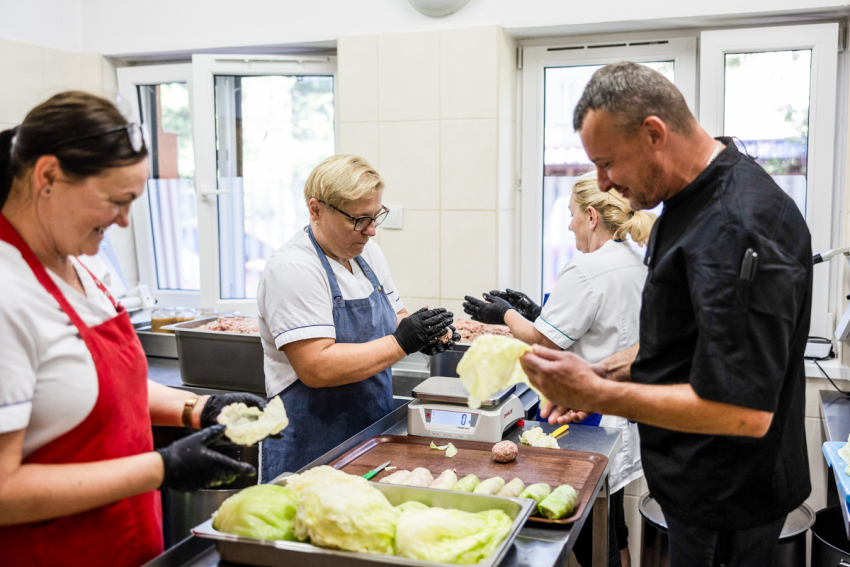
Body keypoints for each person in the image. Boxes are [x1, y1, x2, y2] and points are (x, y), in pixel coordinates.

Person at [520, 62, 811, 567]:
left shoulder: (737, 224)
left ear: (654, 134)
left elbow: (743, 411)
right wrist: (599, 372)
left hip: (729, 501)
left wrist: (597, 394)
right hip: (696, 487)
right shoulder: (686, 201)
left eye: (607, 163)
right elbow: (688, 339)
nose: (603, 182)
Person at [0, 92, 266, 567]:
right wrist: (161, 467)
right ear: (48, 176)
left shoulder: (80, 267)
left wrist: (201, 409)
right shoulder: (8, 294)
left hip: (129, 545)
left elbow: (102, 388)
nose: (124, 221)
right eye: (116, 201)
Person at [463, 171, 655, 567]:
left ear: (591, 216)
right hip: (625, 418)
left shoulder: (586, 268)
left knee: (591, 541)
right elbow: (593, 324)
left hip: (589, 421)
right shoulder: (634, 261)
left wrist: (505, 315)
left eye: (571, 215)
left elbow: (543, 342)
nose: (569, 226)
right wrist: (537, 312)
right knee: (613, 527)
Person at [258, 154, 458, 481]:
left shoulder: (366, 254)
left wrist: (425, 332)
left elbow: (396, 315)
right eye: (360, 219)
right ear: (316, 210)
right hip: (311, 448)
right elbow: (316, 366)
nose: (372, 231)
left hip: (370, 434)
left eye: (376, 216)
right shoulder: (293, 269)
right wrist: (401, 342)